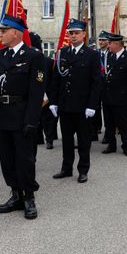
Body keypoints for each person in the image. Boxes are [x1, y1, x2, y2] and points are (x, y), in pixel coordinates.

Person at [0, 15, 45, 220]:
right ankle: (15, 194)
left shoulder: (34, 56)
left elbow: (36, 93)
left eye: (4, 30)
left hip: (21, 115)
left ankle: (29, 197)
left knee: (24, 159)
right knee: (7, 159)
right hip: (2, 114)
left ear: (16, 33)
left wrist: (31, 120)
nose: (0, 33)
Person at [49, 19, 101, 183]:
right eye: (70, 33)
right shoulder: (63, 53)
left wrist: (92, 105)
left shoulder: (92, 54)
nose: (73, 36)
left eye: (76, 32)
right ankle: (66, 168)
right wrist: (53, 101)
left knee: (84, 140)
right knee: (66, 139)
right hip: (65, 105)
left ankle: (83, 169)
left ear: (84, 34)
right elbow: (56, 78)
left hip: (83, 106)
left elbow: (96, 82)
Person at [101, 33, 127, 157]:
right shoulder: (110, 57)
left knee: (123, 124)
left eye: (110, 43)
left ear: (117, 44)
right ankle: (111, 145)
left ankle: (126, 146)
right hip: (108, 97)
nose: (108, 45)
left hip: (122, 98)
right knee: (109, 123)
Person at [30, 32, 58, 150]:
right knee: (46, 119)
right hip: (45, 92)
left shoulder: (41, 59)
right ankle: (48, 139)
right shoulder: (47, 60)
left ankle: (43, 139)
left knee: (42, 117)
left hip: (42, 92)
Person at [96, 30, 110, 144]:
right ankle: (94, 132)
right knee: (94, 110)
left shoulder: (111, 53)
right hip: (96, 86)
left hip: (108, 87)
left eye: (103, 40)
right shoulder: (95, 53)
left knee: (107, 112)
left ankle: (107, 134)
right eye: (100, 40)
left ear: (108, 41)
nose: (101, 42)